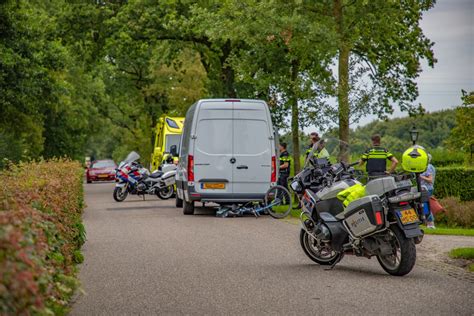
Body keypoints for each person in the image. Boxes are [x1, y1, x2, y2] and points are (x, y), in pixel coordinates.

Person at [420, 154, 436, 228]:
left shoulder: (428, 167)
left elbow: (430, 180)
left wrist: (420, 176)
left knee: (426, 206)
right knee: (426, 206)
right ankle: (429, 223)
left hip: (426, 189)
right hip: (427, 188)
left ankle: (431, 224)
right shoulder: (431, 166)